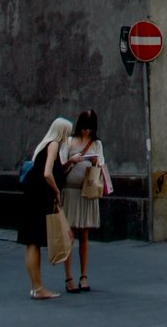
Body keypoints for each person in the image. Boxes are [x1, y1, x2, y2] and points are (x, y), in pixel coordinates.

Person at [17, 116, 73, 300]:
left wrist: (69, 163)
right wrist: (56, 191)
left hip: (30, 198)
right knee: (34, 242)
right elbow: (48, 173)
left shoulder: (44, 145)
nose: (68, 137)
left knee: (31, 244)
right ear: (62, 132)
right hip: (39, 199)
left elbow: (51, 170)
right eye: (67, 132)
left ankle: (35, 287)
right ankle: (39, 289)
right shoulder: (54, 144)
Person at [60, 108, 112, 293]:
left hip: (87, 192)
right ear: (79, 125)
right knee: (69, 236)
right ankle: (68, 278)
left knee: (84, 235)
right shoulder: (68, 141)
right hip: (71, 192)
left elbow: (102, 165)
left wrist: (95, 163)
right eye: (84, 128)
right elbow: (61, 166)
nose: (86, 132)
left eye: (90, 129)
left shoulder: (96, 144)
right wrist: (72, 161)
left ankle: (83, 276)